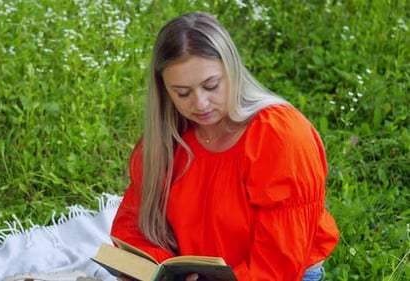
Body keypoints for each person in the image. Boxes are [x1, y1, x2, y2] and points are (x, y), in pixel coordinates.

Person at [111, 11, 339, 281]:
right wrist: (164, 270)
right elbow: (133, 225)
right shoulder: (169, 138)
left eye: (211, 86)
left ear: (232, 71)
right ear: (164, 91)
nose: (200, 104)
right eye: (182, 92)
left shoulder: (278, 135)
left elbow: (280, 262)